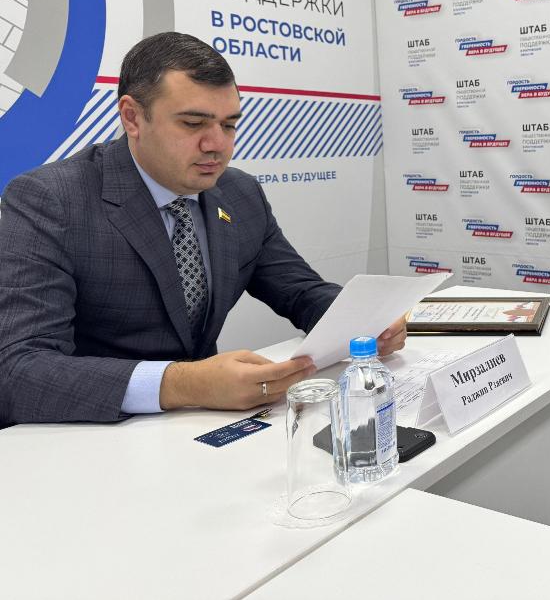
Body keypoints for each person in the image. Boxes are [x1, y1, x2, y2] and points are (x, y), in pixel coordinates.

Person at [0, 32, 405, 427]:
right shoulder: (52, 200)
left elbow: (300, 291)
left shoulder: (239, 193)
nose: (217, 145)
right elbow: (18, 370)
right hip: (87, 437)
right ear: (132, 117)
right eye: (193, 123)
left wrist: (363, 322)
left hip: (202, 428)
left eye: (229, 125)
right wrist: (184, 384)